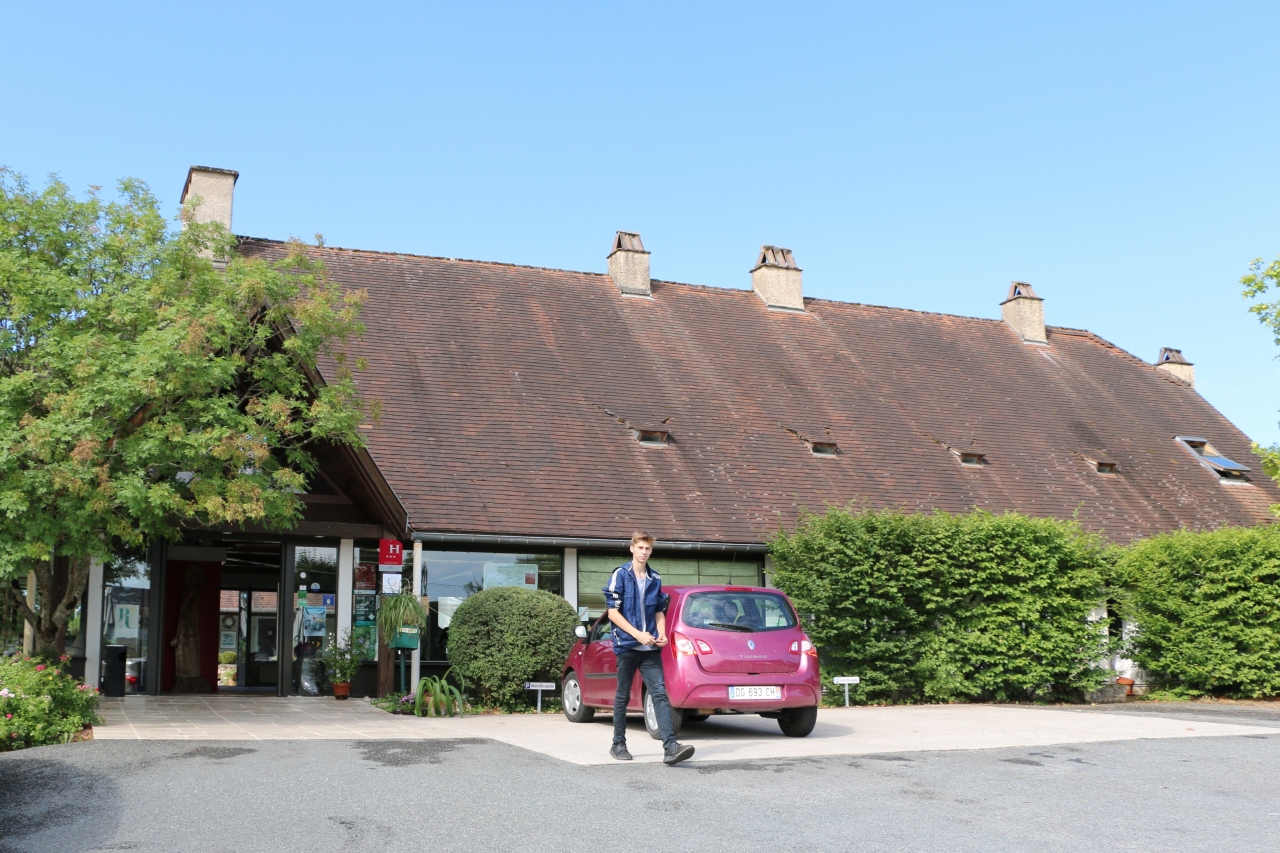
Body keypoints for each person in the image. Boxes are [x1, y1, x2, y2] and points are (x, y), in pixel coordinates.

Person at [602, 531, 695, 766]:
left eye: (647, 549)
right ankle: (618, 744)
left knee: (660, 694)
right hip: (627, 645)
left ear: (651, 551)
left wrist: (661, 633)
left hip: (650, 647)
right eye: (640, 548)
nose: (644, 552)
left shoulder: (655, 578)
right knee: (623, 695)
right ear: (632, 548)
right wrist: (638, 635)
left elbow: (658, 611)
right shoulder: (620, 575)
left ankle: (670, 747)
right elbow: (612, 612)